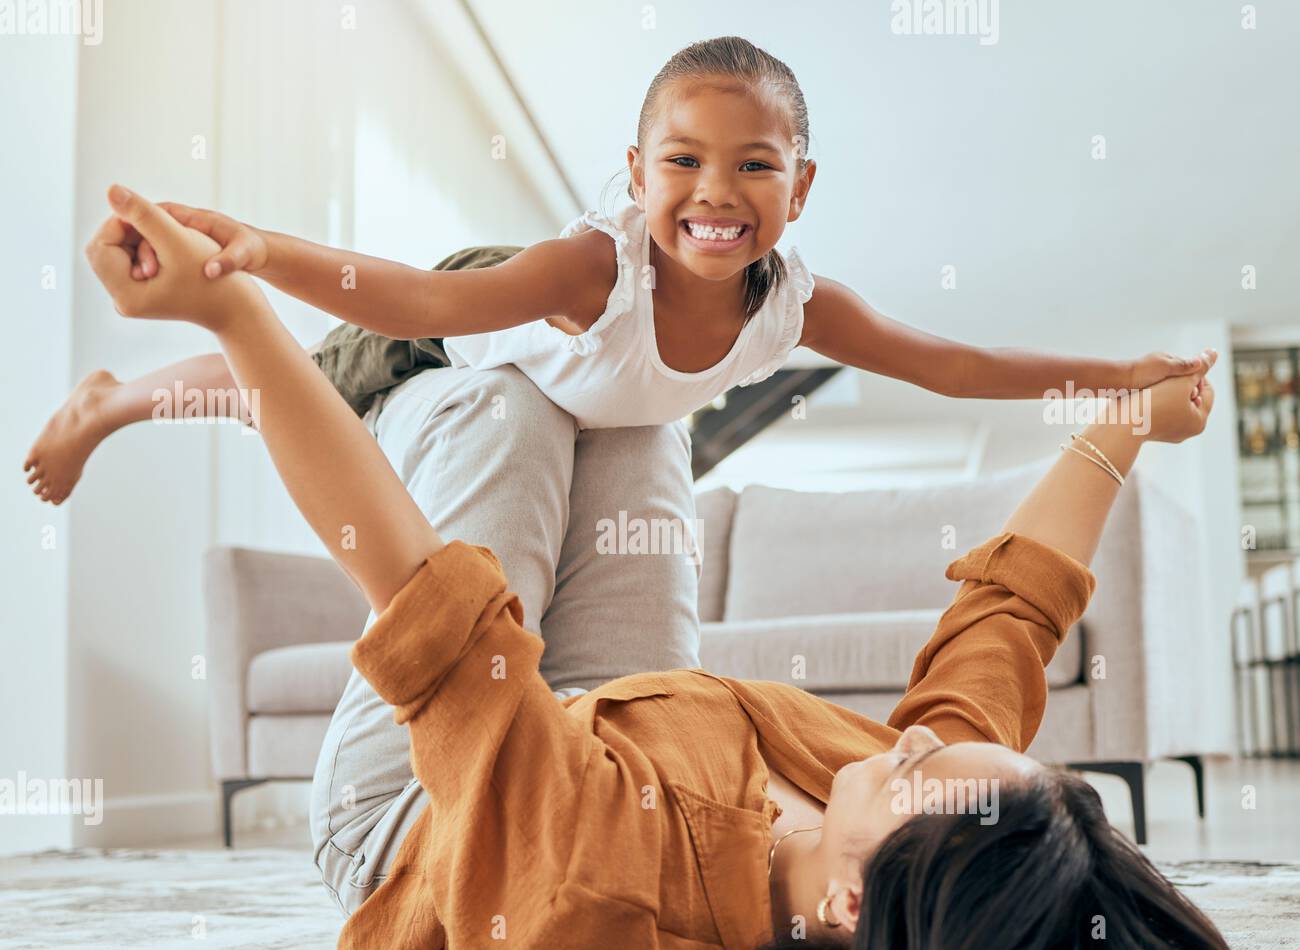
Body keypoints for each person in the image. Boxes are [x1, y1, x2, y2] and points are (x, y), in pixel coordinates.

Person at [82, 181, 1262, 950]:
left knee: (499, 411)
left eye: (911, 766)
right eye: (932, 747)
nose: (897, 739)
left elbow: (426, 597)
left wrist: (235, 309)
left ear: (849, 907)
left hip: (420, 808)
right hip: (612, 727)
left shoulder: (602, 886)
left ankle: (169, 395)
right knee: (644, 413)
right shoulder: (910, 822)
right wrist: (1122, 421)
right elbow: (1003, 626)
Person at [25, 35, 1213, 503]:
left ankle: (120, 399)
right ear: (638, 174)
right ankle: (112, 403)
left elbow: (951, 362)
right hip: (461, 328)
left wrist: (1119, 376)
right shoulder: (589, 272)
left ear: (799, 189)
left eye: (754, 167)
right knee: (280, 387)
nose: (715, 194)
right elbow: (422, 299)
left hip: (582, 396)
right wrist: (260, 249)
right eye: (683, 162)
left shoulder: (796, 307)